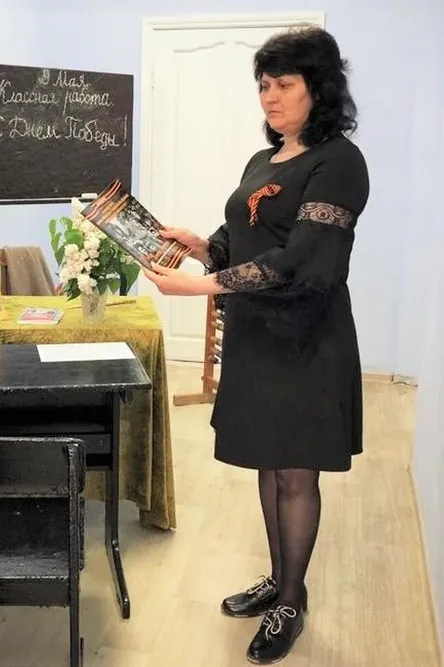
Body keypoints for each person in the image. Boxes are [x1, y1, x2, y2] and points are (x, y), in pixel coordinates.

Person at [143, 26, 370, 664]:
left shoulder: (339, 163)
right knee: (270, 463)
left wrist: (199, 287)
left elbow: (302, 262)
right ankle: (280, 578)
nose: (270, 97)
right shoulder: (261, 160)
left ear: (318, 88)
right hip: (257, 336)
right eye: (264, 85)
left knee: (296, 472)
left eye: (284, 84)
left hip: (305, 337)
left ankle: (292, 600)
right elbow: (241, 239)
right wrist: (199, 246)